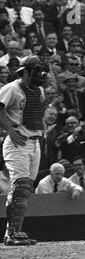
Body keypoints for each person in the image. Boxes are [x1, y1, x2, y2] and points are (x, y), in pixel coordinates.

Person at [0, 55, 47, 246]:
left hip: (34, 141)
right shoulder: (12, 88)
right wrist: (10, 130)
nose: (40, 75)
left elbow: (36, 113)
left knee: (24, 189)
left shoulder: (39, 90)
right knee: (20, 187)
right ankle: (13, 233)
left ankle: (13, 232)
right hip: (17, 142)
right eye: (36, 71)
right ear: (25, 71)